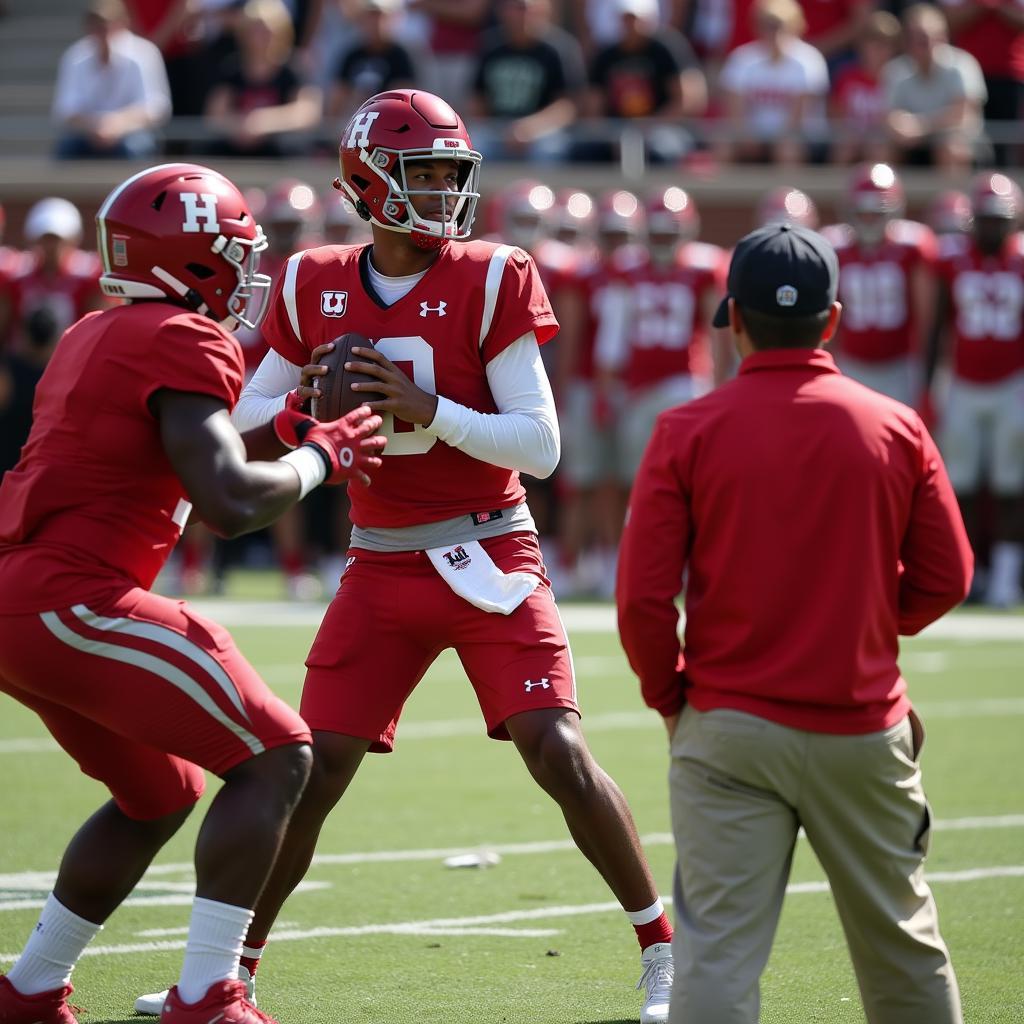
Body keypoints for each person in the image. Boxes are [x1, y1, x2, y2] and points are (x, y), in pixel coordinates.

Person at [134, 89, 676, 1024]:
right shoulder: (311, 281)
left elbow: (539, 446)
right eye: (421, 174)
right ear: (368, 181)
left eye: (448, 175)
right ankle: (226, 974)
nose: (440, 193)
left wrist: (429, 413)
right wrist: (314, 407)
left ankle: (667, 956)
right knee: (310, 767)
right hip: (380, 560)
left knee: (557, 747)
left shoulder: (493, 273)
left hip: (488, 550)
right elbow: (250, 421)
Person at [0, 162, 386, 1024]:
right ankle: (210, 993)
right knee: (281, 755)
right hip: (74, 598)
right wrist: (322, 456)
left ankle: (26, 990)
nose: (246, 275)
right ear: (196, 259)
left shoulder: (92, 333)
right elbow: (230, 501)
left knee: (160, 794)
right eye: (235, 255)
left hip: (20, 603)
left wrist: (287, 428)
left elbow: (174, 452)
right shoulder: (184, 336)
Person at [617, 220, 972, 1024]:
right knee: (904, 950)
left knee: (717, 957)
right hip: (861, 725)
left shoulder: (687, 428)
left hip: (728, 725)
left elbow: (642, 598)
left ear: (733, 318)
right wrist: (870, 627)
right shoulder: (896, 425)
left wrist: (671, 697)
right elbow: (950, 576)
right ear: (835, 319)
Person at [927, 170, 1024, 607]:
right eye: (985, 218)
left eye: (998, 219)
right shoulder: (951, 259)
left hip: (1012, 384)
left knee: (1010, 486)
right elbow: (938, 327)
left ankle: (1004, 578)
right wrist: (930, 385)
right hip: (964, 383)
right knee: (960, 487)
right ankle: (972, 572)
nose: (991, 227)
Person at [821, 163, 938, 405]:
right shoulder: (834, 246)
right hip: (851, 362)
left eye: (877, 211)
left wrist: (924, 369)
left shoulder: (912, 247)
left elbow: (926, 318)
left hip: (900, 364)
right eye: (862, 211)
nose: (869, 219)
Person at [467, 0, 586, 163]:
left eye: (528, 8)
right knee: (475, 146)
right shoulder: (490, 45)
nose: (523, 15)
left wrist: (529, 128)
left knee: (547, 149)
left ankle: (542, 190)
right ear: (503, 11)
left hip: (544, 129)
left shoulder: (560, 48)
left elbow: (568, 107)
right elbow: (477, 99)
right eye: (517, 8)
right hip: (497, 128)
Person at [715, 0, 830, 166]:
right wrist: (747, 135)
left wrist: (776, 139)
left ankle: (790, 192)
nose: (774, 32)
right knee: (723, 145)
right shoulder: (742, 59)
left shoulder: (809, 60)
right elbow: (735, 112)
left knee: (787, 148)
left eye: (779, 25)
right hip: (754, 136)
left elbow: (798, 118)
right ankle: (723, 192)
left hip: (798, 136)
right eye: (767, 25)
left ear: (795, 26)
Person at [52, 0, 171, 159]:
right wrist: (96, 127)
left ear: (123, 24)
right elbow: (66, 109)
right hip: (87, 134)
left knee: (135, 147)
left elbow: (156, 106)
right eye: (97, 27)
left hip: (132, 133)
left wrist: (117, 124)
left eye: (107, 26)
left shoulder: (145, 52)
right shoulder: (75, 56)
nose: (103, 33)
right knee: (66, 149)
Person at [203, 0, 322, 157]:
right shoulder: (231, 70)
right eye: (253, 31)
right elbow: (214, 115)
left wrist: (263, 122)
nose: (259, 38)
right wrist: (241, 127)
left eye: (266, 31)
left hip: (280, 157)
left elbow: (308, 112)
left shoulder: (293, 70)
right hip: (237, 153)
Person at [883, 3, 987, 172]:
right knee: (881, 150)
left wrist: (920, 128)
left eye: (924, 38)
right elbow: (889, 116)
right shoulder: (895, 69)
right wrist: (898, 126)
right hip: (911, 143)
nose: (918, 43)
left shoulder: (962, 65)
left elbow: (964, 116)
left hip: (962, 141)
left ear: (943, 37)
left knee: (950, 148)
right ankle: (886, 198)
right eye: (912, 37)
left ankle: (953, 198)